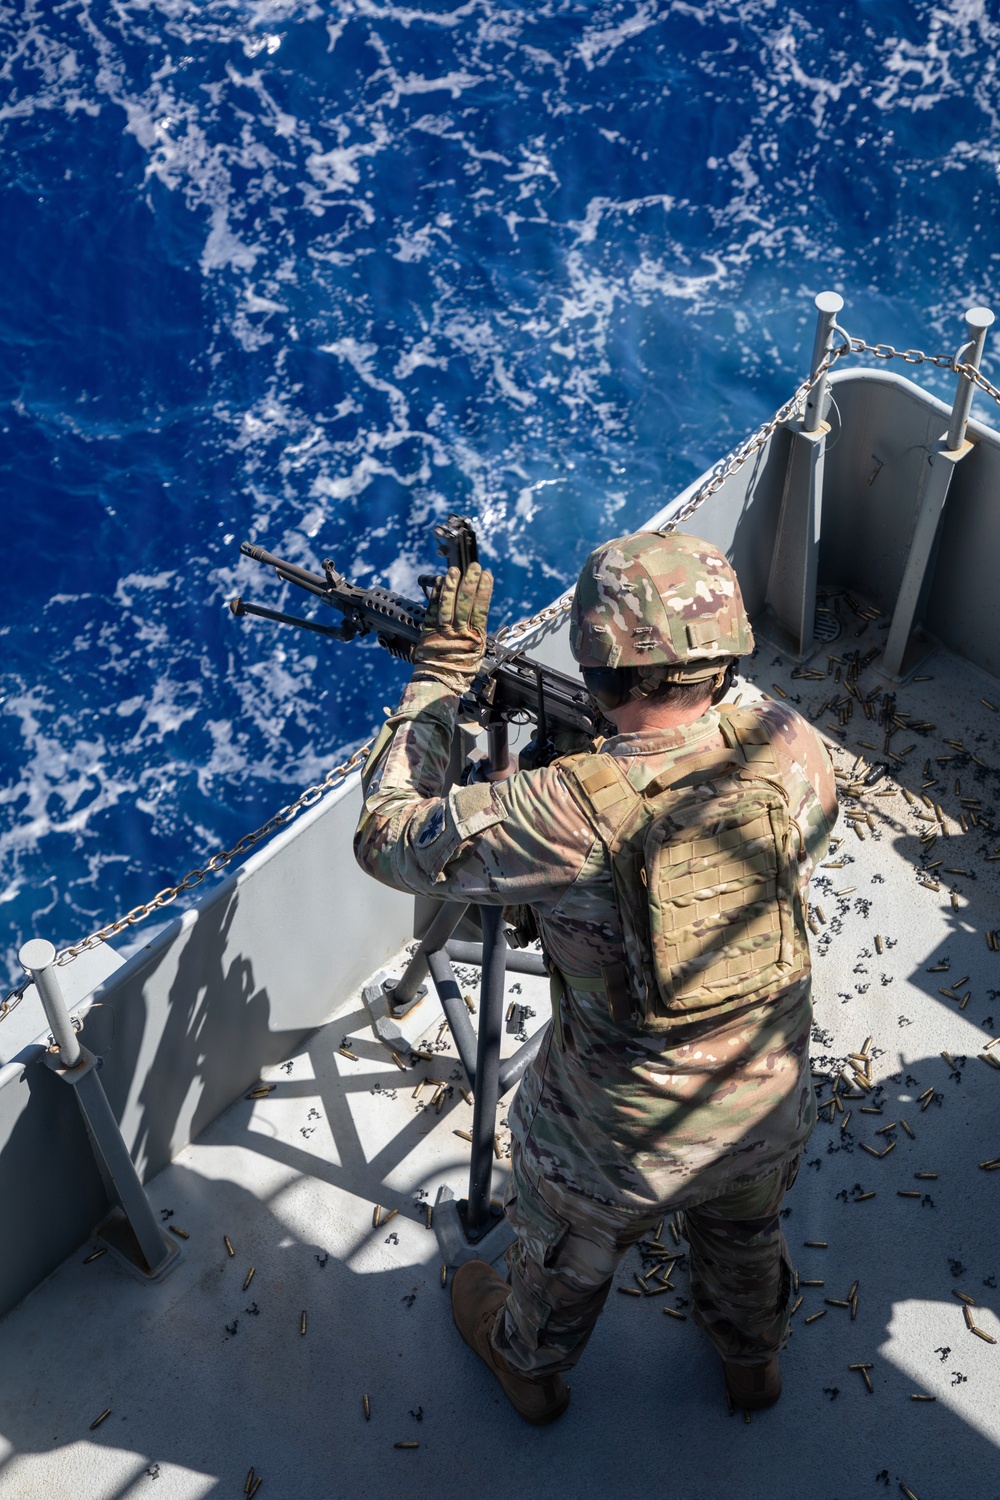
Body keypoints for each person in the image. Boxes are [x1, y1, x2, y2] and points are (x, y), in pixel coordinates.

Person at [354, 530, 837, 1424]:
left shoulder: (559, 809)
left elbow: (387, 835)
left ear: (598, 657)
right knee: (743, 1235)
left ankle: (527, 1371)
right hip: (768, 1105)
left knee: (561, 1256)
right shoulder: (792, 742)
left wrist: (440, 678)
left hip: (614, 1149)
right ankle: (752, 1364)